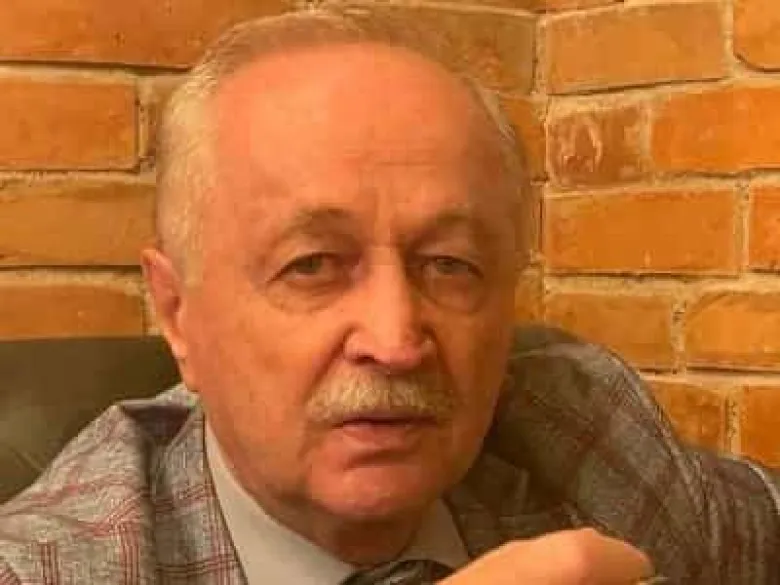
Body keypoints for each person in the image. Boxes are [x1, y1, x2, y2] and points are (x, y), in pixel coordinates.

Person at [1, 8, 778, 585]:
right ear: (178, 312)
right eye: (312, 264)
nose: (397, 338)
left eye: (449, 264)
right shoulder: (51, 566)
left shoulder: (586, 433)